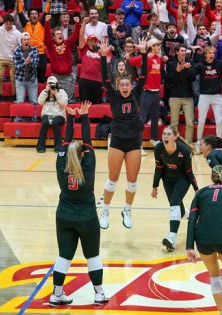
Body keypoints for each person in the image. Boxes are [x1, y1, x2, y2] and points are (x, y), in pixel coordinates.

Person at [49, 101, 109, 307]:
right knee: (92, 255)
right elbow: (87, 140)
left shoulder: (60, 165)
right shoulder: (88, 167)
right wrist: (83, 116)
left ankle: (57, 294)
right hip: (87, 218)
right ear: (83, 154)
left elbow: (66, 143)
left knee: (64, 256)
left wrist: (71, 117)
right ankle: (99, 294)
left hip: (64, 216)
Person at [98, 38, 147, 229]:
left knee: (132, 181)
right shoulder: (113, 95)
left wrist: (142, 53)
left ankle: (127, 209)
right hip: (117, 140)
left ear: (130, 85)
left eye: (127, 84)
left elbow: (143, 78)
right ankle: (105, 210)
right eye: (122, 85)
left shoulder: (136, 93)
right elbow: (104, 78)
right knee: (112, 179)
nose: (125, 87)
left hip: (134, 141)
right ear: (118, 86)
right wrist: (103, 56)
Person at [186, 164, 222, 315]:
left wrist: (189, 247)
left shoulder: (200, 193)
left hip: (202, 240)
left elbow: (192, 219)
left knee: (214, 276)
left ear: (212, 178)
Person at [152, 125, 198, 251]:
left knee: (174, 203)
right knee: (179, 210)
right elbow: (159, 168)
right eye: (164, 134)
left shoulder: (184, 150)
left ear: (176, 136)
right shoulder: (159, 148)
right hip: (167, 180)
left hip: (183, 179)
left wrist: (196, 188)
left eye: (168, 134)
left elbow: (189, 171)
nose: (165, 136)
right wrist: (155, 186)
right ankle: (193, 216)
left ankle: (172, 238)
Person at [193, 46, 222, 154]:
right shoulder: (200, 65)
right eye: (209, 53)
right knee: (201, 120)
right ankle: (199, 143)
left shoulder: (219, 64)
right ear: (206, 54)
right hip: (204, 96)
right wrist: (188, 67)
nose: (211, 54)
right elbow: (192, 73)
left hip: (217, 96)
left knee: (218, 121)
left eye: (213, 52)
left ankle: (219, 145)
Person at [129, 37, 166, 147]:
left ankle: (154, 139)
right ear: (152, 47)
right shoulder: (145, 58)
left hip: (156, 92)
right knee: (143, 118)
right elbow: (131, 61)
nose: (159, 47)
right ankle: (138, 143)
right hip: (146, 92)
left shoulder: (158, 58)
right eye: (157, 45)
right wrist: (139, 52)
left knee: (155, 117)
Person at [44, 15, 81, 104]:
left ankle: (70, 116)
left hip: (67, 76)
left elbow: (75, 35)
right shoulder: (50, 45)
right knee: (56, 100)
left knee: (70, 100)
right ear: (54, 37)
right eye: (57, 34)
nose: (60, 35)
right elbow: (47, 36)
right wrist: (47, 22)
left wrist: (77, 23)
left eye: (61, 34)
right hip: (55, 76)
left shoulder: (67, 43)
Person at [166, 44, 195, 143]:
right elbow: (169, 81)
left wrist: (188, 70)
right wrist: (177, 71)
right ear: (177, 52)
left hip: (188, 97)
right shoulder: (171, 64)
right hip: (175, 96)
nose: (183, 52)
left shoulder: (190, 63)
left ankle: (188, 144)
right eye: (181, 51)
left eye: (185, 51)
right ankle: (174, 143)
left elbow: (193, 78)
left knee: (190, 122)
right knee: (174, 123)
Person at [79, 17, 109, 105]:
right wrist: (83, 24)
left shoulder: (101, 51)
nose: (92, 42)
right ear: (87, 42)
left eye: (94, 41)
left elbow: (106, 65)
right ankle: (84, 119)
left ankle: (95, 120)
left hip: (97, 81)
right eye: (90, 41)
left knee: (96, 105)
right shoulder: (84, 49)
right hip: (85, 80)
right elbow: (81, 35)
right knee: (84, 105)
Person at [37, 76, 68, 153]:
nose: (51, 86)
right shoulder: (45, 92)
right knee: (44, 123)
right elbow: (40, 102)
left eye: (53, 84)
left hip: (59, 115)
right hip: (46, 114)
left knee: (55, 122)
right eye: (49, 84)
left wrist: (56, 94)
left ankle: (58, 147)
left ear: (56, 84)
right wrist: (45, 91)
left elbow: (64, 104)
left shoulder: (61, 92)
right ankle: (40, 147)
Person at [13, 32, 39, 104]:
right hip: (20, 79)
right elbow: (16, 66)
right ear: (21, 41)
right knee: (20, 102)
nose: (26, 41)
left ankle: (34, 116)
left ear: (30, 41)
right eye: (24, 39)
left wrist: (29, 63)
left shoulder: (35, 50)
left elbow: (35, 65)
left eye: (28, 39)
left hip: (32, 79)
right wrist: (26, 63)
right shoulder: (16, 51)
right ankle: (18, 115)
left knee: (34, 102)